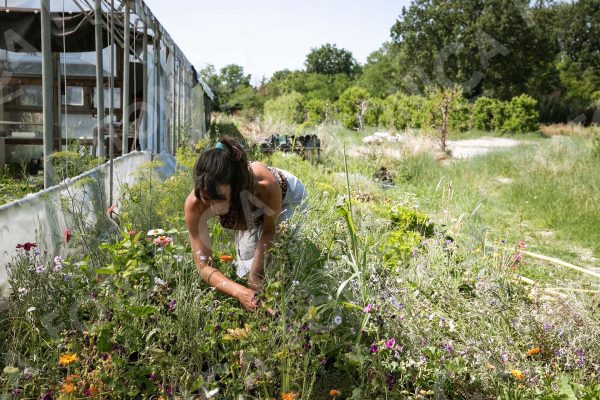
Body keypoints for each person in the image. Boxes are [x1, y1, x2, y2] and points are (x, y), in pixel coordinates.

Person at [184, 136, 307, 312]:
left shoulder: (263, 184)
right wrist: (239, 291)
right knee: (246, 269)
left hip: (287, 198)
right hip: (247, 207)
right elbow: (203, 266)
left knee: (284, 257)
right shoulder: (194, 205)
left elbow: (270, 230)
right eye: (206, 198)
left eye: (219, 199)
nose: (213, 207)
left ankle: (294, 309)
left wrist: (255, 277)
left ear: (234, 186)